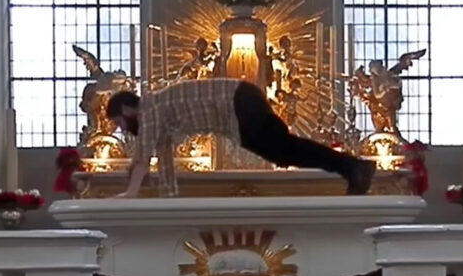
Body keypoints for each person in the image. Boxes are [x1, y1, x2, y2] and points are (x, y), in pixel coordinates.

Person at [106, 78, 376, 197]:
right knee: (285, 151)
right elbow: (160, 152)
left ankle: (353, 168)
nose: (121, 128)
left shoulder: (149, 109)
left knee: (285, 150)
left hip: (239, 105)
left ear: (128, 109)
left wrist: (130, 194)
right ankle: (352, 168)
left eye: (119, 121)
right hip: (242, 101)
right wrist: (167, 195)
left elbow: (143, 155)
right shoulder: (156, 113)